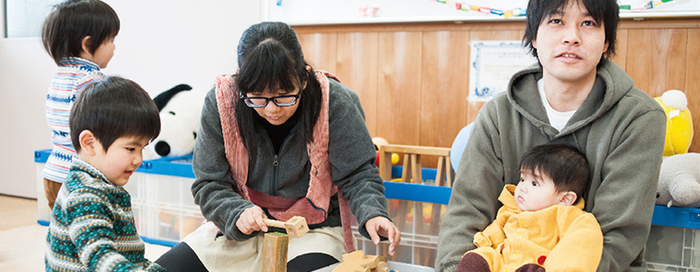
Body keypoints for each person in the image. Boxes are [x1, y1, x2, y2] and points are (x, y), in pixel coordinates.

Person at [436, 0, 667, 271]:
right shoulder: (498, 114)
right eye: (557, 21)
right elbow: (466, 213)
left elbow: (617, 236)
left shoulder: (639, 118)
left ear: (606, 42)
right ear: (534, 36)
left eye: (589, 23)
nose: (572, 37)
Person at [155, 21, 401, 272]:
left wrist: (373, 213)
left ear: (304, 79)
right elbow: (209, 183)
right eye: (257, 96)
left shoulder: (334, 102)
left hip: (313, 231)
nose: (271, 109)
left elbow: (358, 174)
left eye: (284, 95)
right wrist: (237, 212)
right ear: (241, 84)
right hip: (241, 227)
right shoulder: (221, 102)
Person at [45, 76, 164, 271]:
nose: (138, 159)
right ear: (90, 143)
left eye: (142, 149)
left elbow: (128, 254)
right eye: (131, 149)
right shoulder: (85, 195)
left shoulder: (100, 185)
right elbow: (99, 257)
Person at [456, 144, 603, 272]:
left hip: (535, 265)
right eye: (522, 179)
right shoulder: (511, 209)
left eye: (534, 183)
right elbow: (498, 227)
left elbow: (580, 244)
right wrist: (484, 240)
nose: (522, 188)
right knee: (477, 257)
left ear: (564, 199)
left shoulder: (571, 217)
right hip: (501, 262)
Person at [40, 0, 119, 209]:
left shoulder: (60, 75)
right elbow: (103, 124)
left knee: (64, 232)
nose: (114, 47)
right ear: (87, 44)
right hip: (81, 177)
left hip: (54, 171)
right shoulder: (91, 79)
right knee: (91, 228)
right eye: (110, 40)